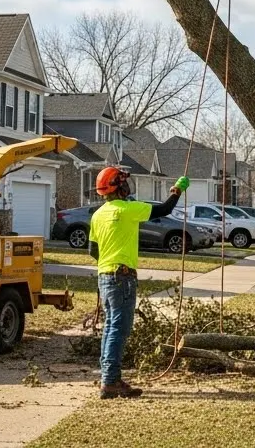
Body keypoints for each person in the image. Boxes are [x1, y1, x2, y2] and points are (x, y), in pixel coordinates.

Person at [86, 166, 188, 399]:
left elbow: (93, 250)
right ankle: (110, 382)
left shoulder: (98, 214)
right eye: (123, 182)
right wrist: (177, 190)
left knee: (111, 327)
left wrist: (109, 263)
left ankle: (108, 377)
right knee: (119, 330)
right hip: (122, 277)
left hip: (104, 276)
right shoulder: (127, 209)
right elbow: (164, 209)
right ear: (119, 187)